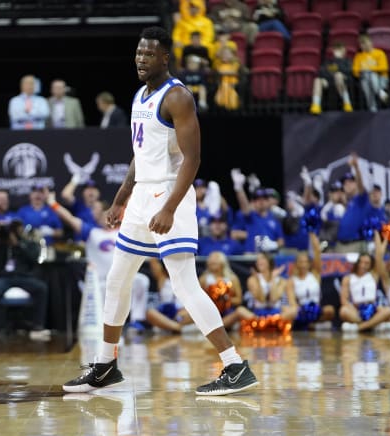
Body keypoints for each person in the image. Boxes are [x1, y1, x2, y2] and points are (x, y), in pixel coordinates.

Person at [62, 26, 258, 396]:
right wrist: (121, 197)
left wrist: (169, 207)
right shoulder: (140, 96)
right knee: (117, 279)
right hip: (141, 196)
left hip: (171, 194)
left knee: (184, 284)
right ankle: (105, 365)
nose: (140, 59)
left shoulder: (178, 97)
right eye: (138, 53)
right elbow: (142, 154)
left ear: (165, 57)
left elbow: (193, 158)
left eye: (149, 54)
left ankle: (234, 365)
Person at [47, 193, 150, 330]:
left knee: (142, 280)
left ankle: (137, 321)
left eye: (97, 210)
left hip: (122, 279)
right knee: (104, 321)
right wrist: (52, 203)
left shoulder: (124, 231)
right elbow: (69, 218)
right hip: (100, 284)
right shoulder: (91, 232)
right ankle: (106, 332)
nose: (94, 213)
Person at [0, 219, 50, 341]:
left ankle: (38, 326)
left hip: (24, 277)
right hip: (5, 277)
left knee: (41, 288)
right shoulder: (2, 244)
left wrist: (18, 244)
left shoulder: (28, 243)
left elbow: (34, 259)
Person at [287, 233, 335, 330]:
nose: (303, 265)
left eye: (306, 262)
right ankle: (308, 325)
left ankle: (313, 326)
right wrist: (301, 310)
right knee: (290, 312)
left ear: (309, 264)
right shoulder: (292, 280)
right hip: (302, 310)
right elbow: (292, 302)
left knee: (330, 310)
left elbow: (317, 253)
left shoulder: (315, 275)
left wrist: (313, 235)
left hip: (316, 309)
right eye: (301, 262)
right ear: (296, 264)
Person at [199, 251, 254, 330]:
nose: (212, 261)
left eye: (216, 260)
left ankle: (263, 323)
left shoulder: (232, 278)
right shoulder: (204, 279)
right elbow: (199, 300)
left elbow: (239, 300)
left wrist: (225, 299)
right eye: (211, 260)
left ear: (222, 262)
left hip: (227, 314)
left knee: (240, 311)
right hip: (210, 316)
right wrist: (213, 299)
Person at [339, 252, 390, 332]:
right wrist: (352, 309)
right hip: (357, 310)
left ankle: (359, 327)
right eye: (361, 262)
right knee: (343, 311)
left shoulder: (373, 275)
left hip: (372, 308)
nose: (363, 265)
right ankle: (373, 324)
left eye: (366, 263)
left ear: (371, 265)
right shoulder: (348, 278)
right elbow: (344, 300)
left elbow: (379, 255)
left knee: (388, 311)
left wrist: (380, 240)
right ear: (357, 263)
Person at [310, 43, 354, 115]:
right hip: (329, 80)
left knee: (338, 75)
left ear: (344, 51)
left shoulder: (348, 61)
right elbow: (321, 71)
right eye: (336, 49)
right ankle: (316, 105)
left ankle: (347, 103)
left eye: (340, 49)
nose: (338, 51)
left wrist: (337, 65)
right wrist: (331, 72)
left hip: (344, 80)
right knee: (317, 80)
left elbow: (348, 71)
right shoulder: (328, 61)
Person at [353, 35, 389, 113]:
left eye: (365, 43)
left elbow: (384, 68)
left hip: (380, 78)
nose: (364, 46)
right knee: (367, 79)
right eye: (361, 44)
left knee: (371, 75)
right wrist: (365, 71)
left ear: (371, 43)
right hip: (365, 78)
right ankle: (380, 94)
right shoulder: (358, 56)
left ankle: (373, 105)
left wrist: (369, 69)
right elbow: (355, 71)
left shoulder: (380, 53)